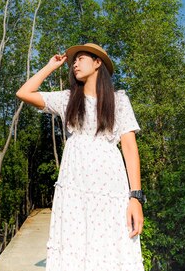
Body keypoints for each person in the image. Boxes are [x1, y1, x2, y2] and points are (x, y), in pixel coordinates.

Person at [16, 43, 146, 271]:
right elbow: (24, 93)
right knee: (75, 243)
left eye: (81, 58)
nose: (75, 63)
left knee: (109, 244)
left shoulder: (119, 100)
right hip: (74, 185)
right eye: (73, 60)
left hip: (110, 187)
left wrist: (135, 197)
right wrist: (50, 66)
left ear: (98, 63)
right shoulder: (68, 99)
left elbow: (129, 148)